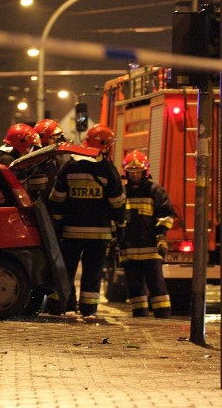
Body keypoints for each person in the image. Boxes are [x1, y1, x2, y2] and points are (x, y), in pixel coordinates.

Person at [48, 125, 126, 318]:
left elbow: (57, 198)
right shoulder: (107, 169)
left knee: (67, 270)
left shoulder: (70, 166)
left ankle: (65, 306)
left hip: (70, 232)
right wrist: (120, 225)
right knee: (93, 272)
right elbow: (117, 201)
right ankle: (88, 310)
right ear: (103, 145)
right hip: (99, 234)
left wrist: (57, 223)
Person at [119, 150, 173, 318]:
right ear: (126, 172)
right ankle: (140, 315)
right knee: (134, 287)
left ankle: (163, 316)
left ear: (145, 172)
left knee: (157, 285)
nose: (135, 174)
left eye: (138, 171)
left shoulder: (155, 190)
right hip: (128, 250)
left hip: (151, 249)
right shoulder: (122, 192)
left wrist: (161, 238)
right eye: (132, 171)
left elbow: (165, 216)